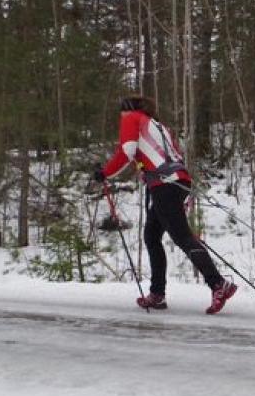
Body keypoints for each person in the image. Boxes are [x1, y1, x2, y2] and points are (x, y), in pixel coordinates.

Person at [94, 96, 237, 314]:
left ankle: (218, 284)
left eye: (120, 114)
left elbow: (127, 151)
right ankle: (157, 294)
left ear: (127, 110)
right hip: (176, 181)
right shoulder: (157, 125)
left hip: (165, 185)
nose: (120, 119)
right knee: (152, 237)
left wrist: (104, 173)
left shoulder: (131, 118)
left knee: (182, 237)